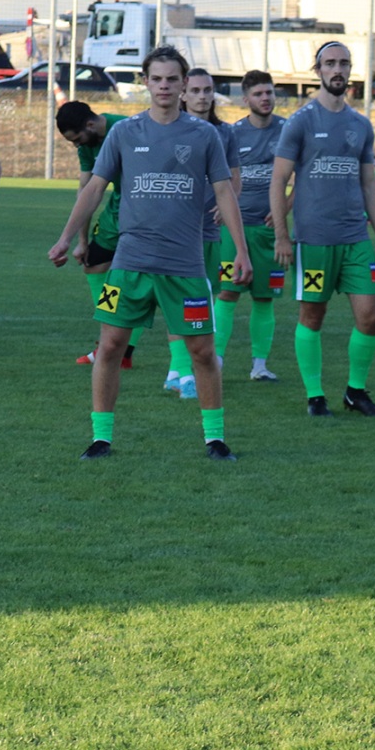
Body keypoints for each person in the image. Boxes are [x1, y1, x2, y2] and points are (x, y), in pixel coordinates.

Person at [49, 44, 250, 460]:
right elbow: (94, 188)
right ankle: (101, 438)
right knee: (110, 346)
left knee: (202, 352)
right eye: (156, 79)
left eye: (172, 79)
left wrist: (242, 251)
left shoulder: (204, 135)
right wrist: (67, 237)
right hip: (130, 264)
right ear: (145, 82)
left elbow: (224, 192)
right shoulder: (125, 132)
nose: (164, 86)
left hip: (185, 266)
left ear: (183, 84)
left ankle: (215, 439)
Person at [271, 41, 375, 418]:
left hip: (355, 238)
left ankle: (355, 391)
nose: (337, 69)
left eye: (343, 63)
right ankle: (315, 395)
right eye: (330, 63)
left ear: (350, 70)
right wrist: (282, 235)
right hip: (315, 240)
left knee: (370, 315)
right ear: (318, 70)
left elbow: (369, 184)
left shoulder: (360, 125)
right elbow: (279, 180)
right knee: (312, 316)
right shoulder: (300, 122)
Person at [161, 67, 239, 399]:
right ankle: (182, 372)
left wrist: (225, 203)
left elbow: (234, 179)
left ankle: (185, 369)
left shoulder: (225, 133)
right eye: (195, 90)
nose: (202, 96)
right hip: (176, 231)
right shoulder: (169, 130)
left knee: (202, 300)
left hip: (208, 231)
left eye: (207, 90)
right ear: (183, 93)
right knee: (179, 300)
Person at [55, 99, 140, 369]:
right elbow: (86, 190)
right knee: (94, 265)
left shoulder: (126, 128)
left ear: (90, 124)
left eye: (77, 139)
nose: (76, 145)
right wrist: (81, 241)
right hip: (116, 212)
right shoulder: (87, 146)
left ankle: (120, 348)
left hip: (142, 211)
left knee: (142, 280)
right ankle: (114, 345)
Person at [215, 70, 287, 380]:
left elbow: (303, 175)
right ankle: (215, 360)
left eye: (269, 92)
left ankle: (260, 366)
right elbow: (220, 178)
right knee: (227, 293)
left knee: (264, 297)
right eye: (258, 94)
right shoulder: (232, 134)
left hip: (270, 232)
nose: (265, 98)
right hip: (235, 230)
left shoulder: (287, 130)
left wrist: (284, 208)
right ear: (245, 99)